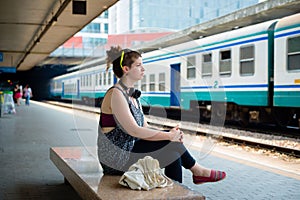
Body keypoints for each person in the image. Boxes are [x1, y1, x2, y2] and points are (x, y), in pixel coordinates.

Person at [97, 46, 226, 184]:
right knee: (170, 142)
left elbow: (145, 127)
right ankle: (198, 171)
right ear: (126, 69)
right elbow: (134, 131)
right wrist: (169, 136)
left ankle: (176, 195)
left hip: (128, 151)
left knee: (173, 154)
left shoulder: (132, 95)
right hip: (115, 158)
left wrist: (170, 133)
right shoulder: (116, 94)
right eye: (139, 65)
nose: (143, 69)